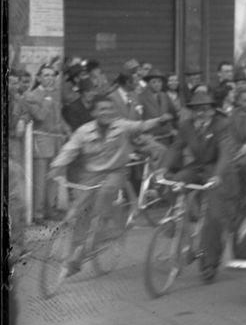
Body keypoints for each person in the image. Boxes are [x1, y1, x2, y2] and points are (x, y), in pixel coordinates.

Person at [46, 91, 171, 277]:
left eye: (109, 109)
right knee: (80, 211)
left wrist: (160, 120)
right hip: (90, 175)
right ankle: (75, 253)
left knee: (105, 195)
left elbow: (141, 125)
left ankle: (98, 232)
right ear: (94, 112)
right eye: (102, 109)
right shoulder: (84, 131)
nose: (106, 112)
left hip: (115, 172)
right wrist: (56, 167)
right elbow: (69, 149)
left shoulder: (122, 126)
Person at [200, 84, 246, 282]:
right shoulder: (232, 115)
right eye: (244, 100)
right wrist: (231, 151)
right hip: (236, 154)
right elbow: (228, 137)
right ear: (237, 101)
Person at [159, 87, 231, 275]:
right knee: (174, 183)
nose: (201, 113)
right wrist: (163, 168)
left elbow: (225, 152)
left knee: (214, 217)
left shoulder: (222, 124)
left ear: (213, 110)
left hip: (217, 170)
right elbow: (176, 147)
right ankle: (178, 224)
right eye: (197, 109)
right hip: (198, 166)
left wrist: (218, 175)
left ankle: (209, 263)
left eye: (205, 109)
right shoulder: (186, 125)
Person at [20, 65, 71, 221]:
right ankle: (38, 213)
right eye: (46, 75)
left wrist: (67, 129)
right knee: (40, 181)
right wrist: (47, 101)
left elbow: (58, 118)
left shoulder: (55, 94)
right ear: (39, 78)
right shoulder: (31, 95)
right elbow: (40, 116)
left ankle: (50, 210)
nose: (50, 78)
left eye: (52, 75)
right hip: (41, 143)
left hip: (56, 142)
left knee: (53, 179)